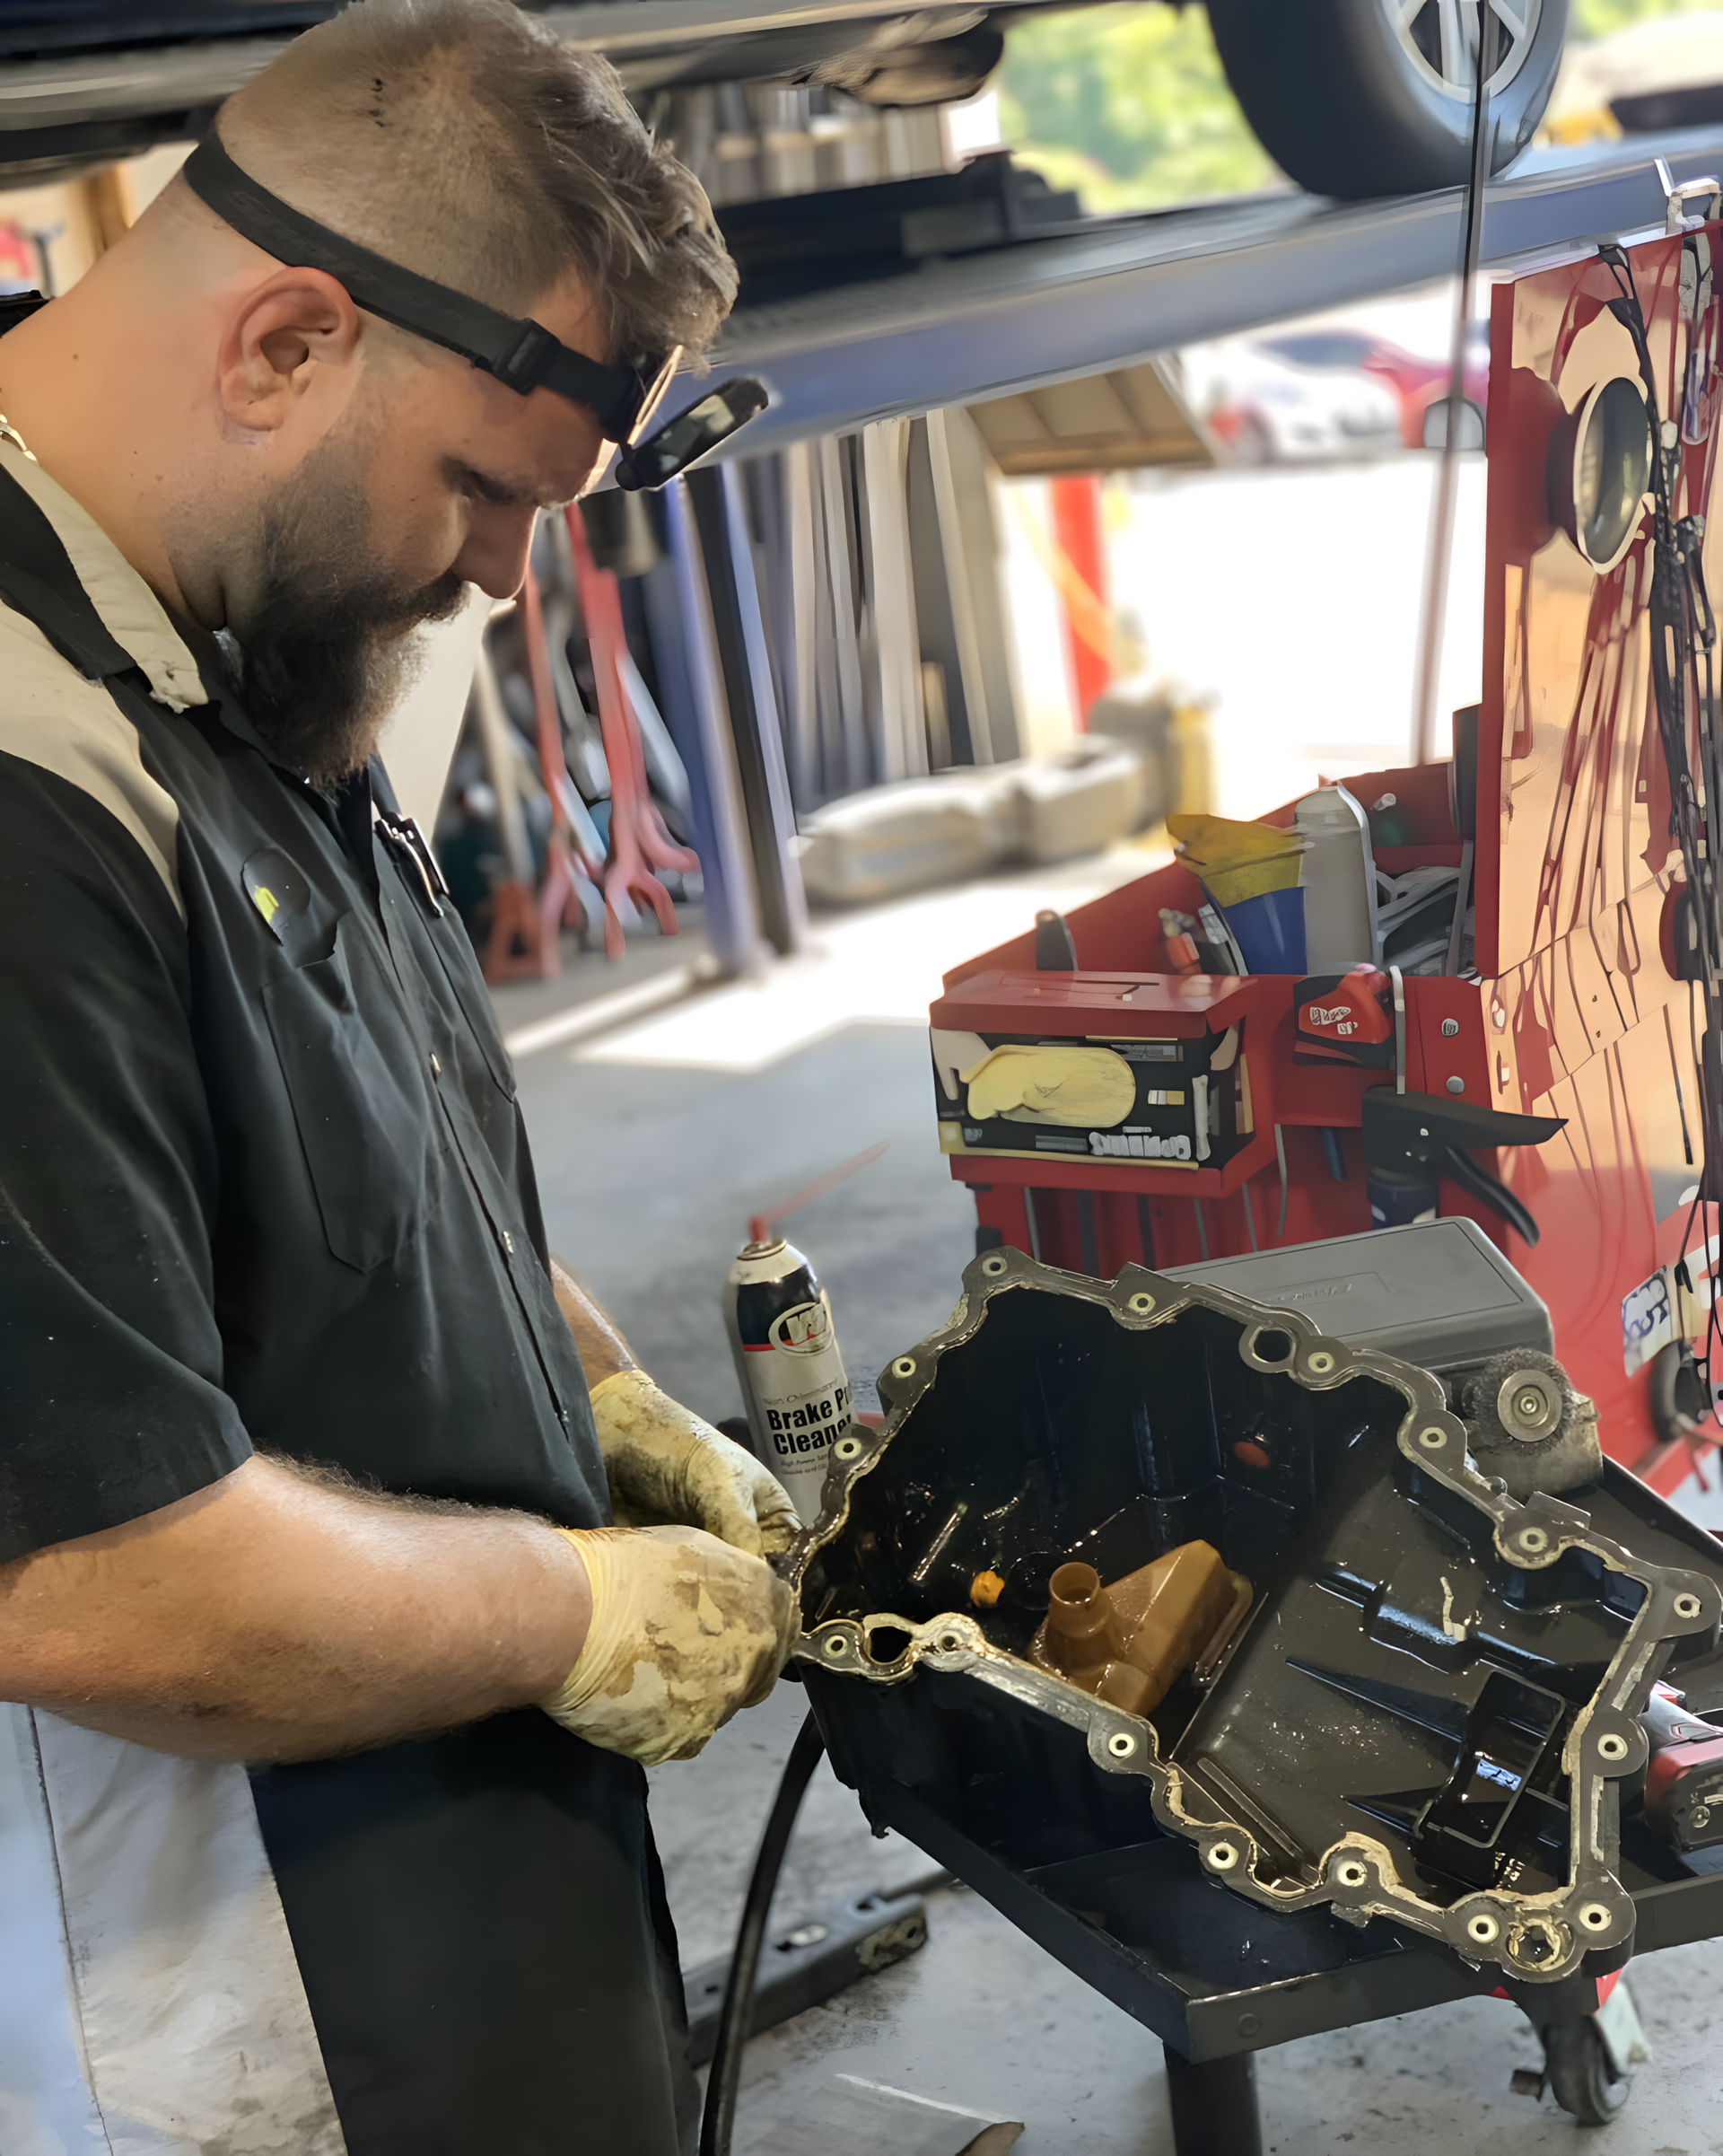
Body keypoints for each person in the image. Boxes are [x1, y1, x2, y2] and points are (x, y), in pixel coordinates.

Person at [0, 4, 802, 2149]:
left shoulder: (231, 624)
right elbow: (79, 1571)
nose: (502, 573)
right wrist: (573, 1609)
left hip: (464, 1904)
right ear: (285, 343)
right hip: (251, 2017)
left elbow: (362, 1140)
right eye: (485, 489)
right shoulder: (26, 787)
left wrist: (601, 1391)